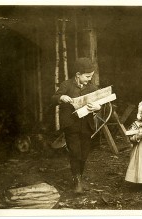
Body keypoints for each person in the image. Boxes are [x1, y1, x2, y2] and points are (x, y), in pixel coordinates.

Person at [52, 57, 101, 194]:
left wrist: (97, 107)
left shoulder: (92, 88)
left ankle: (79, 178)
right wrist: (61, 98)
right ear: (78, 74)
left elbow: (100, 104)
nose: (89, 79)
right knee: (75, 153)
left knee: (84, 153)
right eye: (87, 76)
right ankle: (77, 182)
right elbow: (54, 98)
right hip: (71, 126)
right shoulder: (66, 85)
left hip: (86, 126)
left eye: (91, 76)